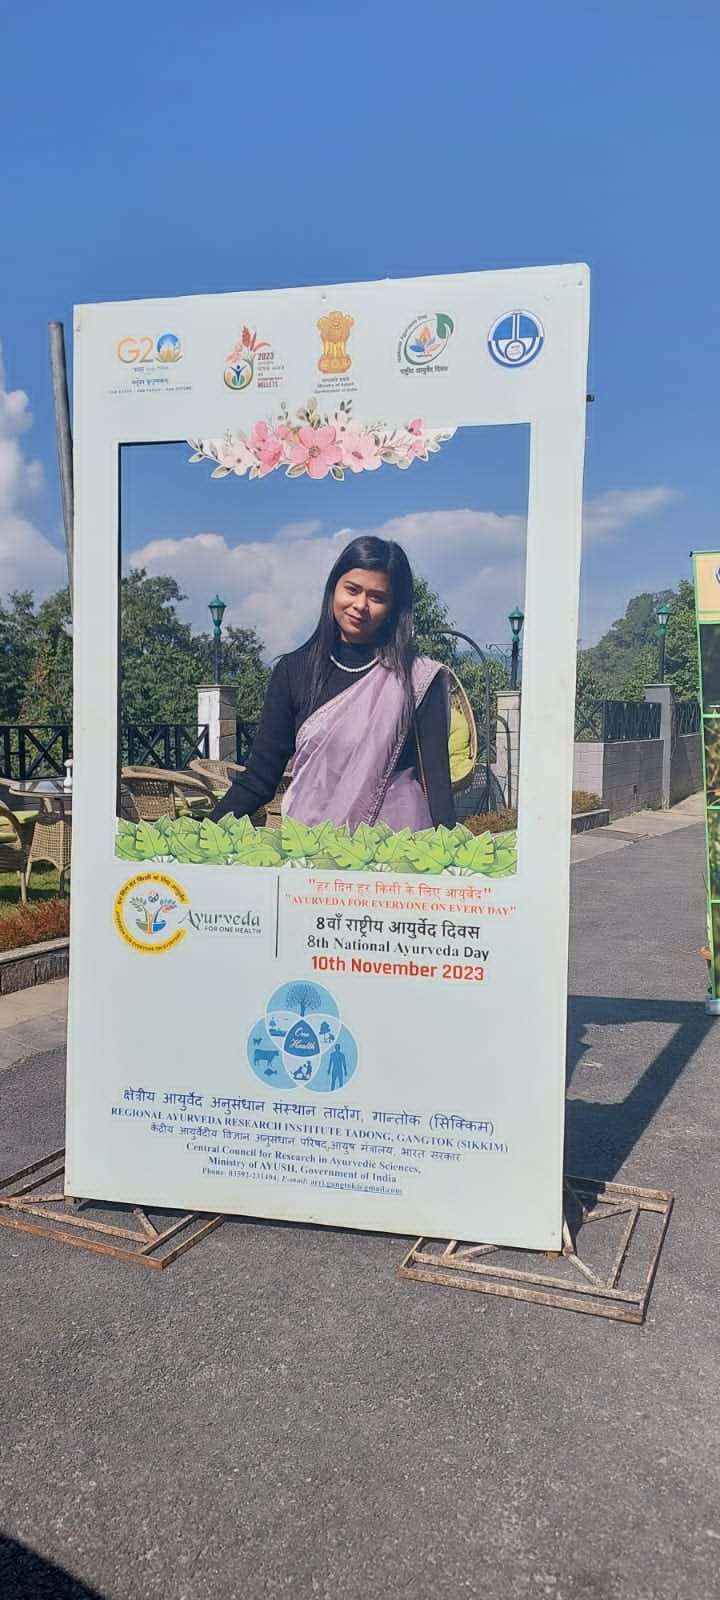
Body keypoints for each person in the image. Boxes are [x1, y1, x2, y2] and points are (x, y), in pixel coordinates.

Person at [212, 536, 455, 832]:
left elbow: (438, 784)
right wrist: (198, 835)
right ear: (333, 588)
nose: (360, 605)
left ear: (393, 608)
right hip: (313, 848)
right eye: (352, 590)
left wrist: (452, 864)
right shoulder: (294, 671)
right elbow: (260, 779)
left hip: (398, 851)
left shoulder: (415, 679)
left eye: (377, 597)